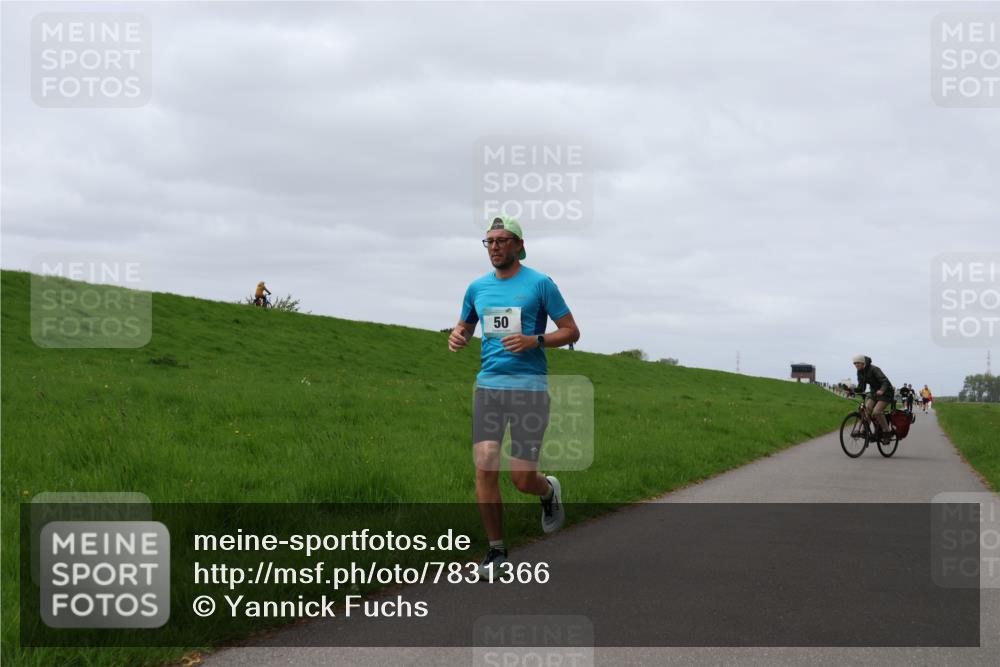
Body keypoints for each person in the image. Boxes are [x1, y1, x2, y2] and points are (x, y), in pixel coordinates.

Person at [448, 216, 580, 580]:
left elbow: (571, 331)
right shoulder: (476, 288)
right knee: (486, 461)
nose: (494, 246)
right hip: (489, 387)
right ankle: (496, 551)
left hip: (529, 389)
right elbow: (466, 325)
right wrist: (457, 336)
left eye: (502, 240)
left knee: (522, 479)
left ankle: (547, 489)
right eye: (489, 241)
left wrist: (533, 340)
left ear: (519, 245)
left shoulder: (540, 284)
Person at [852, 354, 895, 443]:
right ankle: (865, 430)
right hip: (874, 393)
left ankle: (887, 432)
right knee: (866, 409)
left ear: (863, 363)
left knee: (876, 412)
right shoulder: (860, 372)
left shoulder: (874, 369)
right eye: (855, 363)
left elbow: (884, 381)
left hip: (886, 393)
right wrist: (851, 390)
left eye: (858, 363)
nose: (856, 365)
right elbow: (861, 388)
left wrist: (882, 390)